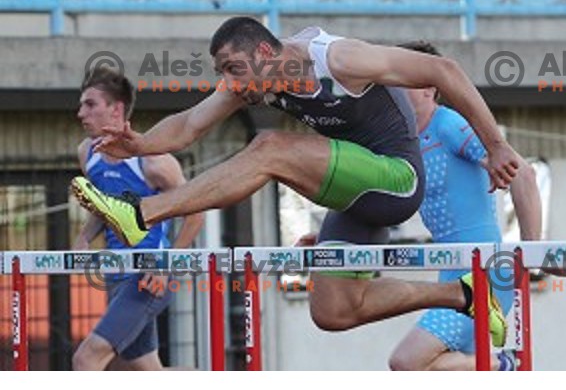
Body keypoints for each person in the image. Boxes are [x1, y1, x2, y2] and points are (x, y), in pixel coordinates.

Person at [71, 17, 521, 347]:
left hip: (397, 180)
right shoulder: (254, 77)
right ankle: (464, 293)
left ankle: (141, 215)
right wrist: (140, 144)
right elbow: (190, 124)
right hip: (357, 195)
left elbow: (444, 70)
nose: (229, 84)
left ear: (265, 55)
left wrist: (496, 145)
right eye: (222, 72)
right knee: (333, 310)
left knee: (270, 148)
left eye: (233, 69)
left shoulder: (338, 59)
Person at [385, 41, 542, 371]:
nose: (393, 90)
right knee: (430, 369)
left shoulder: (448, 125)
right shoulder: (403, 142)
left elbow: (524, 174)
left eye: (402, 80)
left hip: (484, 274)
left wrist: (533, 251)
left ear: (429, 87)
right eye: (391, 82)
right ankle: (499, 366)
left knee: (406, 362)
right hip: (453, 274)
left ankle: (505, 366)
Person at [72, 65, 204, 371]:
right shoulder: (87, 154)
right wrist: (83, 238)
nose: (80, 113)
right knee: (145, 369)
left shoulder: (154, 161)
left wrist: (166, 266)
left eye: (90, 105)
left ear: (116, 110)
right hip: (117, 273)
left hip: (149, 276)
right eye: (81, 105)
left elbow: (196, 213)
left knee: (86, 359)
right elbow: (103, 208)